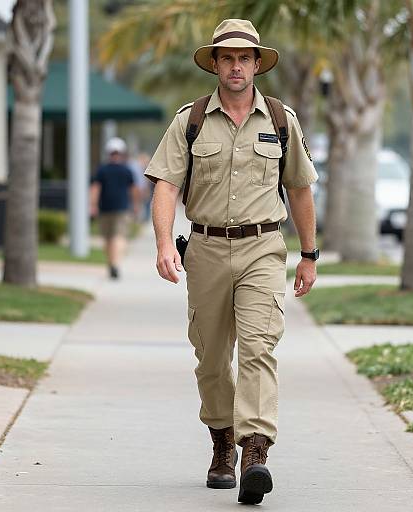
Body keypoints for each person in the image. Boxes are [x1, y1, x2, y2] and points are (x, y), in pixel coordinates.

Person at [145, 19, 319, 504]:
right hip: (204, 248)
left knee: (260, 347)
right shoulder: (191, 120)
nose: (237, 65)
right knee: (213, 357)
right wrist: (163, 243)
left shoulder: (282, 120)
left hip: (263, 247)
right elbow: (165, 185)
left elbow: (301, 189)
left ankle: (255, 451)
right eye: (228, 58)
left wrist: (309, 254)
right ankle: (222, 441)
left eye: (245, 57)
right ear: (216, 64)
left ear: (257, 64)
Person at [90, 137, 139, 279]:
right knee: (119, 237)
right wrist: (135, 205)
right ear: (122, 153)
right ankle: (115, 264)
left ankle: (112, 263)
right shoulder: (126, 170)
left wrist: (92, 206)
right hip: (122, 208)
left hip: (105, 208)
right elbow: (134, 190)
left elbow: (95, 189)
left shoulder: (102, 170)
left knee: (107, 239)